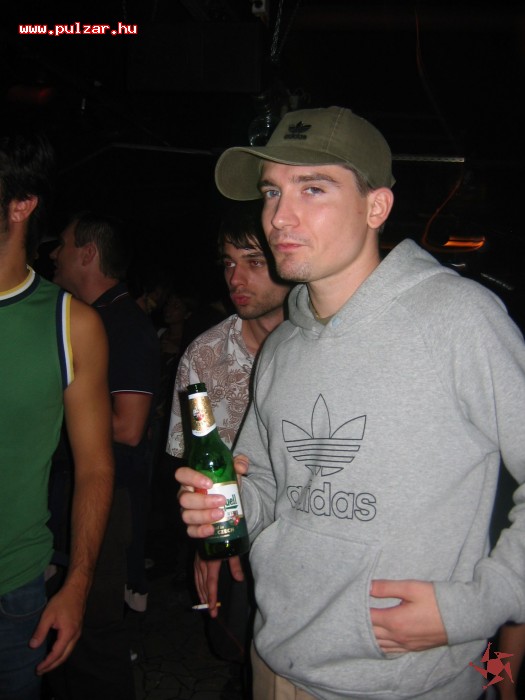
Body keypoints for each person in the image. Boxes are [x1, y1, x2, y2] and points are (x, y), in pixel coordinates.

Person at [176, 105, 525, 700]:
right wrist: (226, 506)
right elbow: (267, 485)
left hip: (402, 682)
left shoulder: (459, 319)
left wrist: (478, 605)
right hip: (276, 662)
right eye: (271, 191)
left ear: (375, 207)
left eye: (312, 188)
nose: (278, 217)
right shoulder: (282, 347)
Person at [0, 135, 114, 699]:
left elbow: (95, 467)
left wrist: (77, 584)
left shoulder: (71, 324)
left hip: (13, 594)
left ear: (21, 204)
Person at [166, 201, 291, 681]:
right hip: (238, 541)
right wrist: (206, 544)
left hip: (307, 539)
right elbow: (190, 468)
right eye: (228, 263)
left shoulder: (321, 346)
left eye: (254, 261)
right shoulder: (204, 355)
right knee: (238, 653)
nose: (235, 278)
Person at [48, 211, 159, 699]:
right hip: (80, 491)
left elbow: (129, 428)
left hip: (109, 501)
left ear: (88, 253)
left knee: (93, 632)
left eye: (64, 244)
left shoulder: (123, 322)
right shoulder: (88, 318)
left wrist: (49, 409)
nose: (54, 254)